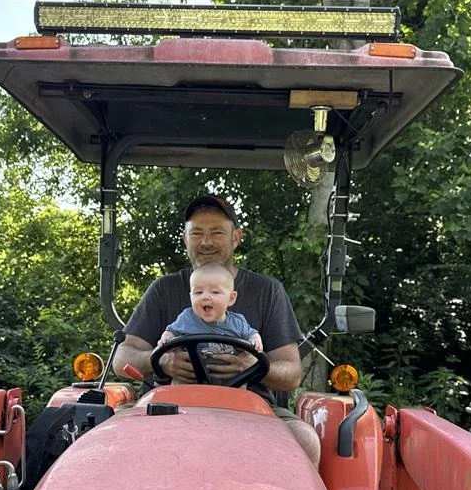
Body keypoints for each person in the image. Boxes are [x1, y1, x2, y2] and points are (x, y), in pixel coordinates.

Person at [114, 194, 321, 468]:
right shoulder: (164, 289)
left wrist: (254, 366)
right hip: (168, 404)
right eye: (197, 233)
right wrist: (161, 361)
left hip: (250, 407)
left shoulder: (267, 291)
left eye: (217, 233)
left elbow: (292, 373)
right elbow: (122, 359)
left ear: (236, 237)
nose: (206, 242)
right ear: (185, 238)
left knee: (304, 440)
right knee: (107, 435)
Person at [159, 263, 263, 352]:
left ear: (231, 298)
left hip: (230, 368)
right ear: (191, 296)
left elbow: (252, 334)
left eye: (215, 292)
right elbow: (171, 331)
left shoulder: (238, 323)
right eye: (198, 292)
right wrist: (167, 337)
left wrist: (255, 340)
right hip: (191, 368)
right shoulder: (187, 318)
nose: (205, 297)